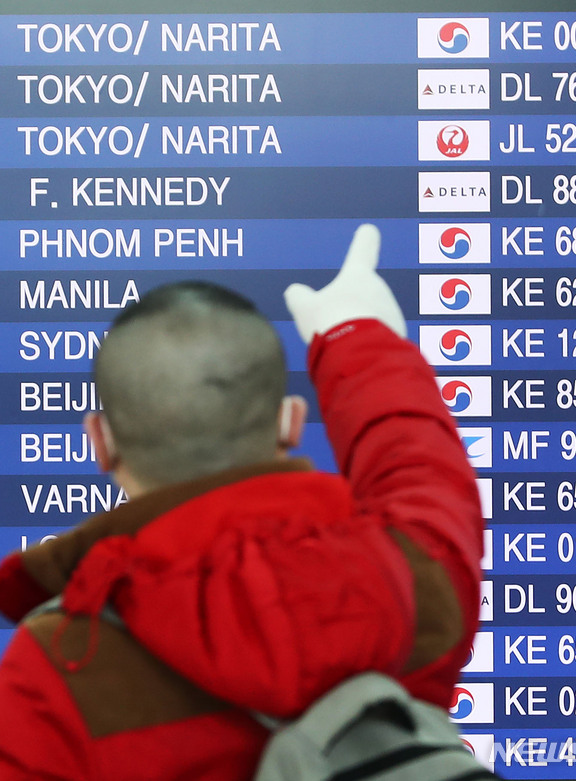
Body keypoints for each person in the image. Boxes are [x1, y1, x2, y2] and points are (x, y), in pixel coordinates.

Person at [0, 224, 484, 780]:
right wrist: (356, 333)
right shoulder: (405, 573)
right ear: (291, 421)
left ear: (100, 442)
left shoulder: (59, 663)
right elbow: (421, 471)